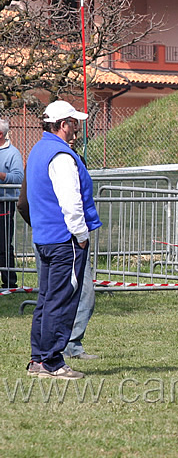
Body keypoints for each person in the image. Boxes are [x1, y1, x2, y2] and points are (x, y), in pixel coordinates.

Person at [25, 100, 102, 380]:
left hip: (44, 236)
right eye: (73, 122)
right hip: (64, 239)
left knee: (46, 299)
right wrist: (81, 235)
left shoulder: (38, 150)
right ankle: (53, 361)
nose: (76, 127)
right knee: (62, 300)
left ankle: (39, 358)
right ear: (62, 125)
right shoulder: (61, 155)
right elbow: (71, 202)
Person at [0, 118, 24, 289]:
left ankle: (9, 282)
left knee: (3, 243)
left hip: (4, 204)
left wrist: (1, 175)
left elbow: (18, 178)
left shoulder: (13, 153)